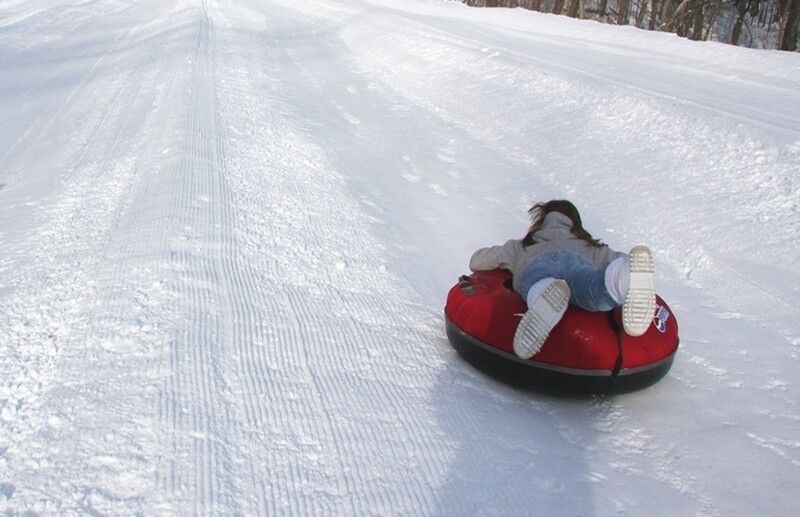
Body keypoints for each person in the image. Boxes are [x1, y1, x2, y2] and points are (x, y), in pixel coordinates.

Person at [469, 200, 656, 359]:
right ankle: (619, 279)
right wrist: (625, 264)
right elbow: (624, 257)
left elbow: (477, 261)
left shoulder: (520, 247)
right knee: (592, 285)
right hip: (578, 262)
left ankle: (546, 292)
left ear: (540, 223)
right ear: (576, 225)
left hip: (539, 261)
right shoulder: (590, 247)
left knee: (536, 279)